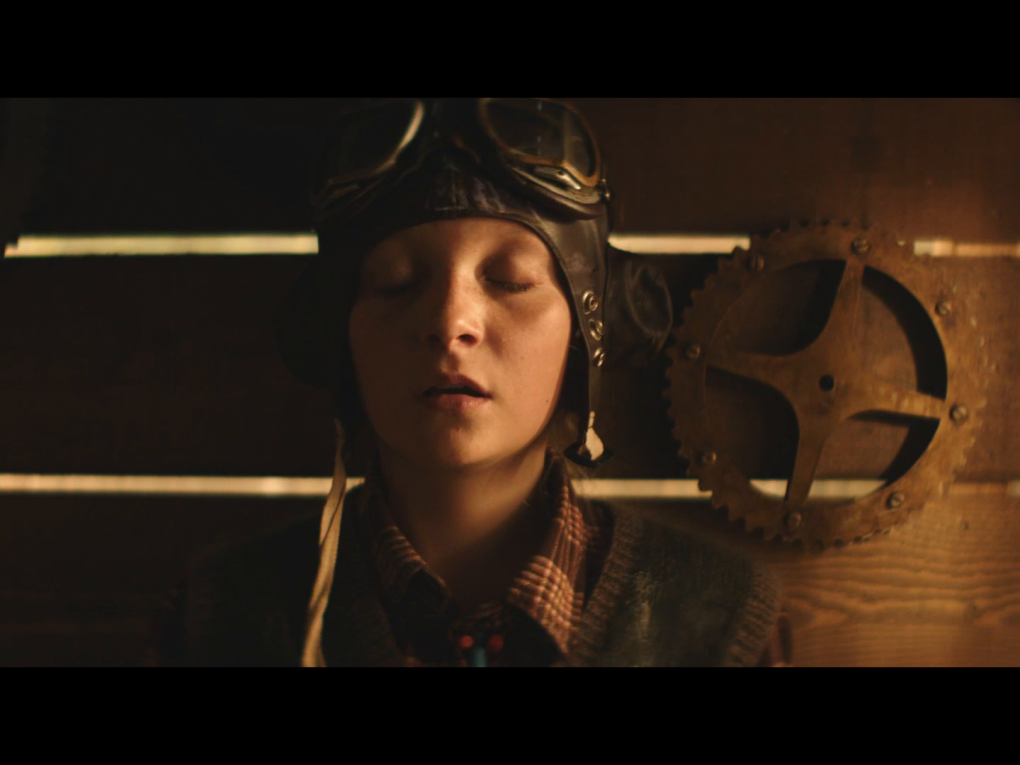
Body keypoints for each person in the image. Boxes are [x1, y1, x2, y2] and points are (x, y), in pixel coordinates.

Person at [148, 98, 791, 667]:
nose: (450, 322)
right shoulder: (219, 620)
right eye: (397, 283)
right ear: (335, 336)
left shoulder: (721, 624)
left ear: (588, 330)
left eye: (510, 281)